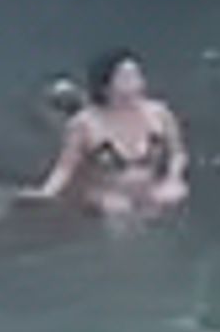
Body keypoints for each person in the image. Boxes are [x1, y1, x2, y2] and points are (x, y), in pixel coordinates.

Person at [29, 52, 188, 221]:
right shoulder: (84, 124)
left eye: (137, 75)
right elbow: (65, 168)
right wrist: (46, 192)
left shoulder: (159, 113)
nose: (135, 82)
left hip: (149, 187)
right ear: (105, 86)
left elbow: (177, 153)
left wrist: (173, 178)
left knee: (173, 196)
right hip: (104, 193)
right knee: (117, 209)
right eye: (125, 77)